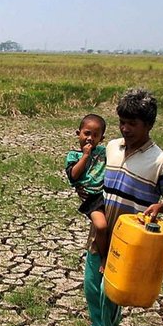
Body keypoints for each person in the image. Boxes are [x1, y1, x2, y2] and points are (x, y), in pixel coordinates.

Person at [70, 89, 163, 326]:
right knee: (91, 285)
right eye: (122, 122)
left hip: (129, 239)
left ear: (149, 125)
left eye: (133, 124)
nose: (125, 128)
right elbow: (90, 174)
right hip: (102, 229)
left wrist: (160, 207)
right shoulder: (111, 148)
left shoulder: (160, 161)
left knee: (113, 291)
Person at [65, 114, 108, 270]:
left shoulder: (104, 151)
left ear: (102, 139)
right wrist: (85, 156)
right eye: (87, 133)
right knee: (101, 226)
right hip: (92, 199)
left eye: (95, 135)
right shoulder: (73, 155)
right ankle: (104, 257)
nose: (90, 138)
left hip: (108, 195)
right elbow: (73, 175)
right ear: (78, 133)